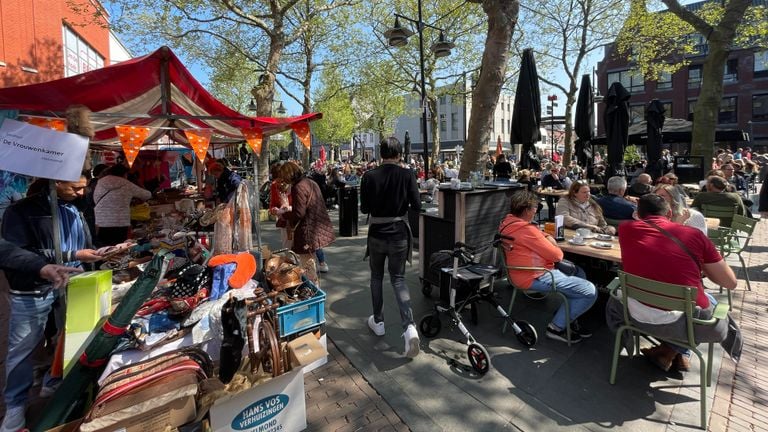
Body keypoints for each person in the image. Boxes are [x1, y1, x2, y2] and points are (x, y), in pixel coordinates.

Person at [0, 174, 102, 432]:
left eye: (84, 187)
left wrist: (98, 253)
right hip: (33, 289)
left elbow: (80, 245)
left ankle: (54, 379)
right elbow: (13, 251)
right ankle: (14, 406)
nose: (81, 193)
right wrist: (46, 266)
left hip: (74, 282)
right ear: (56, 182)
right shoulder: (20, 212)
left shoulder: (75, 208)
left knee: (68, 336)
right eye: (75, 187)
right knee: (23, 348)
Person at [607, 194, 739, 372]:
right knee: (710, 304)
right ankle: (675, 351)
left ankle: (669, 351)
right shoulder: (694, 235)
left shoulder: (625, 229)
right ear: (669, 212)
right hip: (684, 324)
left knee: (684, 300)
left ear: (638, 213)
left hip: (635, 314)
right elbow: (729, 283)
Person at [499, 190, 597, 344]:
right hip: (535, 276)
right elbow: (557, 256)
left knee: (579, 272)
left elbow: (536, 234)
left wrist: (546, 236)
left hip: (518, 272)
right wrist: (550, 240)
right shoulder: (527, 230)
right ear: (526, 210)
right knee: (589, 290)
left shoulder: (507, 223)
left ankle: (569, 316)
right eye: (534, 208)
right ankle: (556, 327)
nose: (536, 210)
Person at [360, 137, 421, 358]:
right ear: (399, 153)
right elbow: (417, 205)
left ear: (381, 153)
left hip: (377, 233)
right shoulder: (407, 174)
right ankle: (409, 327)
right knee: (399, 279)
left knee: (376, 277)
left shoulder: (369, 176)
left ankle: (378, 321)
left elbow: (364, 207)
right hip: (399, 233)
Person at [276, 161, 335, 284]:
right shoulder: (310, 182)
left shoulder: (298, 187)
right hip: (316, 226)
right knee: (310, 262)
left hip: (308, 230)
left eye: (283, 176)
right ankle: (314, 287)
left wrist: (284, 214)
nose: (283, 179)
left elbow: (299, 213)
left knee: (307, 264)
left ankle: (313, 290)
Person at [93, 164, 152, 247]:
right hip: (119, 221)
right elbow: (147, 195)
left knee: (105, 247)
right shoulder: (126, 184)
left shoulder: (100, 183)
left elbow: (95, 199)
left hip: (101, 221)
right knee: (119, 247)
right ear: (124, 174)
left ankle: (105, 259)